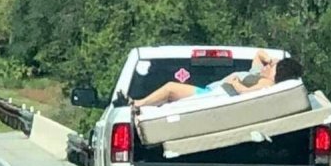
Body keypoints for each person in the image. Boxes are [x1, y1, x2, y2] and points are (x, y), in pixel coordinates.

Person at [129, 49, 303, 108]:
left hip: (211, 96)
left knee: (170, 88)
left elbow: (246, 93)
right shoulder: (257, 74)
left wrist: (235, 83)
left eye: (271, 67)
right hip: (211, 92)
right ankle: (140, 104)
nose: (266, 66)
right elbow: (258, 55)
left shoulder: (267, 84)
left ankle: (137, 104)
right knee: (170, 91)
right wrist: (271, 61)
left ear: (276, 74)